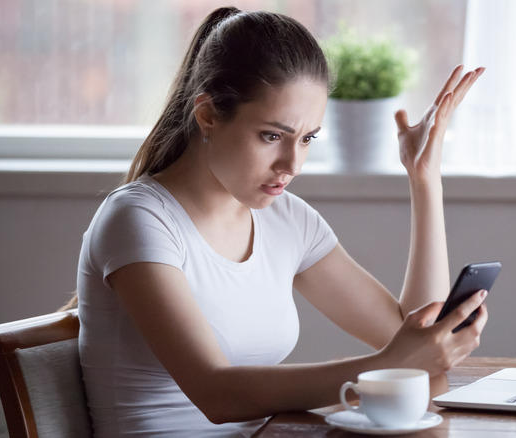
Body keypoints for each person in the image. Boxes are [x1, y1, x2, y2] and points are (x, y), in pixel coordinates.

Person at [73, 6, 486, 437]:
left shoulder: (287, 219)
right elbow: (217, 394)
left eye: (307, 139)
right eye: (273, 136)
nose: (293, 164)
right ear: (208, 115)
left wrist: (424, 178)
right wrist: (389, 364)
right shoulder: (139, 220)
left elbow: (409, 335)